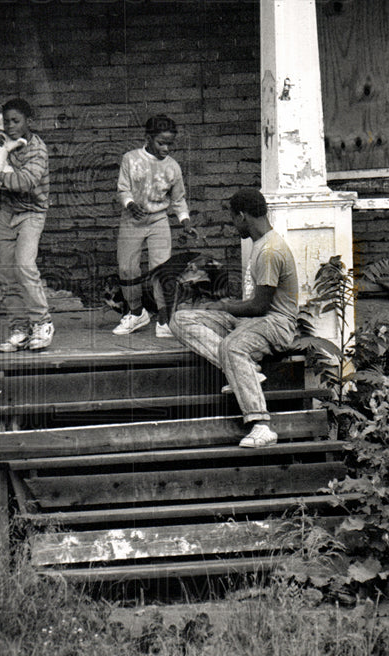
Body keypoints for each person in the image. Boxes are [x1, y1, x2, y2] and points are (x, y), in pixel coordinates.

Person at [169, 187, 298, 448]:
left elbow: (260, 307)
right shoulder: (261, 244)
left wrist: (222, 307)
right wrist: (218, 308)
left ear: (241, 216)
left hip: (277, 324)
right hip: (254, 322)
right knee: (180, 319)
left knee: (233, 346)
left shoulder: (270, 250)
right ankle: (242, 371)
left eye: (232, 219)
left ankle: (261, 425)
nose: (232, 225)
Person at [0, 98, 54, 352]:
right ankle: (20, 328)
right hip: (8, 212)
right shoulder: (0, 142)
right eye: (6, 121)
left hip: (32, 213)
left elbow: (25, 181)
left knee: (24, 265)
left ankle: (42, 323)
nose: (10, 126)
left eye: (16, 121)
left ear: (29, 122)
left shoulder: (37, 149)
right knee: (6, 273)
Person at [114, 114, 197, 338]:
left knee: (162, 268)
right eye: (161, 143)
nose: (166, 148)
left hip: (158, 220)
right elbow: (123, 189)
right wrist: (130, 205)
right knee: (127, 267)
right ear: (148, 138)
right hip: (132, 220)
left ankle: (163, 318)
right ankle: (136, 312)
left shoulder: (173, 168)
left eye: (170, 144)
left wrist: (185, 221)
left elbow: (178, 200)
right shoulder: (130, 159)